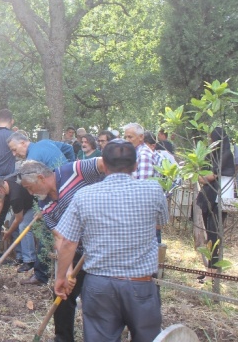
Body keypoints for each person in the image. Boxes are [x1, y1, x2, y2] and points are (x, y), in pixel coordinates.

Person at [54, 140, 168, 342]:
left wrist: (61, 277)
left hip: (100, 286)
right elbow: (160, 224)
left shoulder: (84, 195)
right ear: (135, 166)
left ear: (103, 165)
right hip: (140, 284)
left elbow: (68, 242)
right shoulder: (154, 190)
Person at [18, 157, 106, 342]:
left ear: (41, 178)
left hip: (104, 246)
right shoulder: (45, 205)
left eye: (29, 187)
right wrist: (65, 271)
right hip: (76, 250)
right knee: (62, 293)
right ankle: (63, 338)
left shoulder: (75, 170)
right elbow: (60, 238)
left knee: (98, 296)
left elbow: (106, 162)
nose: (30, 192)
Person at [197, 127, 235, 278]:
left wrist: (204, 177)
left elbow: (213, 173)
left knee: (214, 236)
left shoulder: (226, 154)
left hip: (219, 199)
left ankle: (212, 273)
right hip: (209, 198)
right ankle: (210, 271)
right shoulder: (212, 154)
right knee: (210, 236)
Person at [0, 176, 35, 267]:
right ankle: (20, 257)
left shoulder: (15, 196)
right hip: (23, 206)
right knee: (12, 225)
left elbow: (19, 219)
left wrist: (8, 233)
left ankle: (29, 260)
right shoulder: (5, 184)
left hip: (34, 206)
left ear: (0, 190)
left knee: (23, 226)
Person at [6, 132, 74, 168]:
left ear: (23, 143)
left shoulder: (31, 160)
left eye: (14, 149)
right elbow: (69, 148)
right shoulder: (46, 142)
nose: (13, 154)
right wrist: (71, 168)